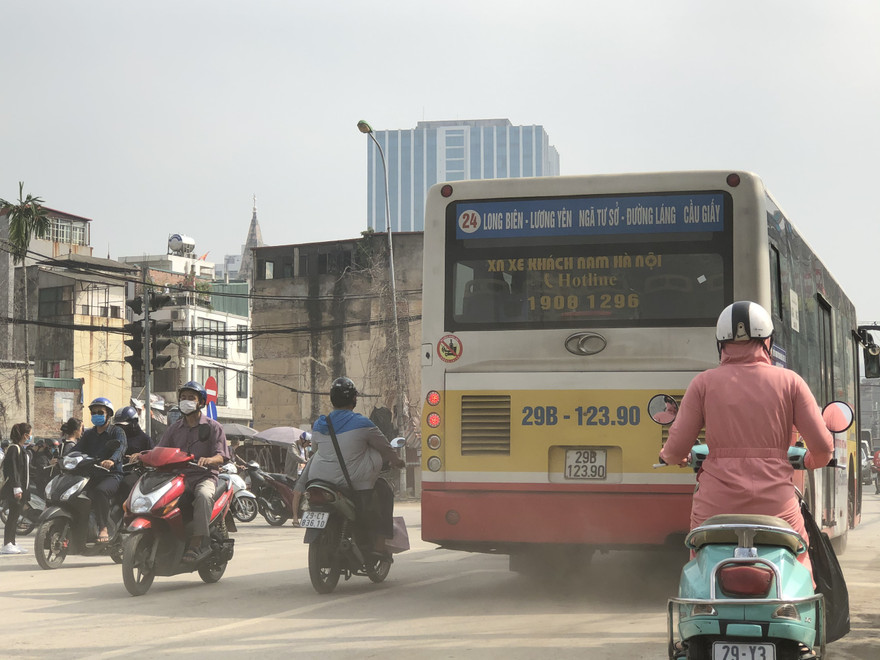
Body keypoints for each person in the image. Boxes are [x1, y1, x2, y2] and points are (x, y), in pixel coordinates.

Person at [659, 301, 834, 580]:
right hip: (777, 508)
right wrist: (812, 461)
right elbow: (824, 448)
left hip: (716, 508)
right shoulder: (791, 382)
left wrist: (672, 456)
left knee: (701, 562)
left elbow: (676, 449)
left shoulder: (703, 384)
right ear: (767, 340)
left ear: (721, 343)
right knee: (799, 563)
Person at [292, 377, 405, 554]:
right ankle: (380, 542)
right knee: (384, 491)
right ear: (354, 399)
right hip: (352, 483)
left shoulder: (320, 424)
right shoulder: (363, 424)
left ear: (332, 399)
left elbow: (314, 451)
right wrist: (397, 461)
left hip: (318, 479)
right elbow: (385, 447)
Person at [150, 381, 230, 562]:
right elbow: (160, 449)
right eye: (183, 398)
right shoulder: (174, 428)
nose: (186, 401)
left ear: (201, 402)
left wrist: (209, 460)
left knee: (202, 495)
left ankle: (197, 543)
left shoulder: (213, 427)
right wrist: (143, 455)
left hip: (204, 476)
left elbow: (222, 455)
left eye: (191, 398)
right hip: (178, 478)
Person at [73, 397, 127, 544]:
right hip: (92, 474)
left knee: (100, 491)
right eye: (94, 412)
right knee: (76, 493)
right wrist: (61, 457)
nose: (96, 415)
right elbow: (77, 449)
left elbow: (121, 448)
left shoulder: (117, 431)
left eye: (100, 412)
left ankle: (103, 528)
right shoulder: (89, 434)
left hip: (112, 475)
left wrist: (112, 460)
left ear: (108, 415)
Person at [1, 423, 33, 554]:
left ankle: (12, 542)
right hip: (15, 488)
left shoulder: (21, 448)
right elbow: (12, 470)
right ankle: (7, 543)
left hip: (22, 488)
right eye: (30, 434)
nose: (31, 436)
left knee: (15, 515)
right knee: (13, 516)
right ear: (25, 435)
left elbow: (25, 470)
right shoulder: (14, 448)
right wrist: (16, 488)